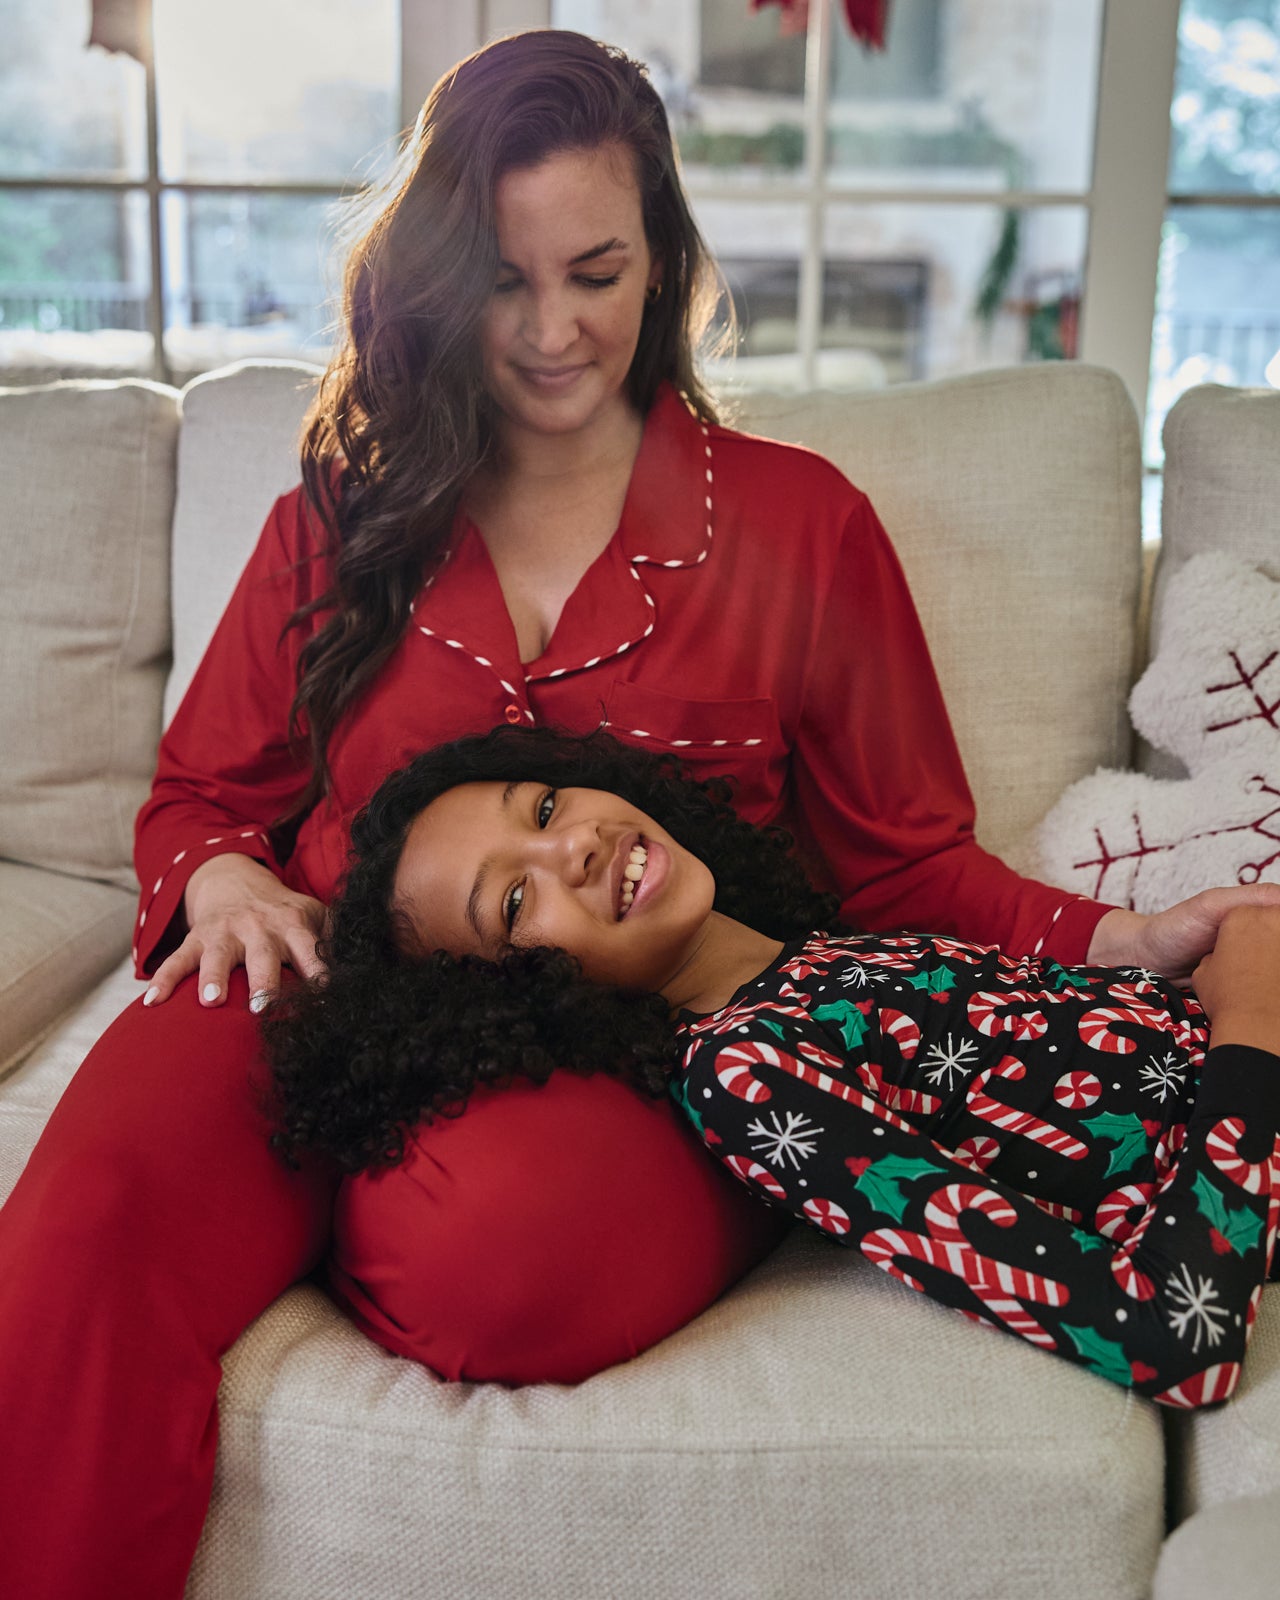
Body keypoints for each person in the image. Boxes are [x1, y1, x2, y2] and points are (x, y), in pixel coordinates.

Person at [0, 27, 1275, 1600]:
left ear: (663, 256)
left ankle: (347, 1203)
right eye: (504, 282)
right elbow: (204, 796)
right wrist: (218, 883)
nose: (552, 332)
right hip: (321, 972)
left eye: (595, 273)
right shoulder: (347, 508)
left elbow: (906, 862)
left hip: (633, 1041)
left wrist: (1125, 938)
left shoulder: (801, 527)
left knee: (491, 1257)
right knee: (83, 1230)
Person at [267, 724, 1280, 1409]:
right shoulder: (745, 1080)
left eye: (540, 808)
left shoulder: (814, 956)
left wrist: (1171, 962)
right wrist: (1250, 1020)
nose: (571, 847)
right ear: (511, 1000)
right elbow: (1170, 1334)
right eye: (516, 903)